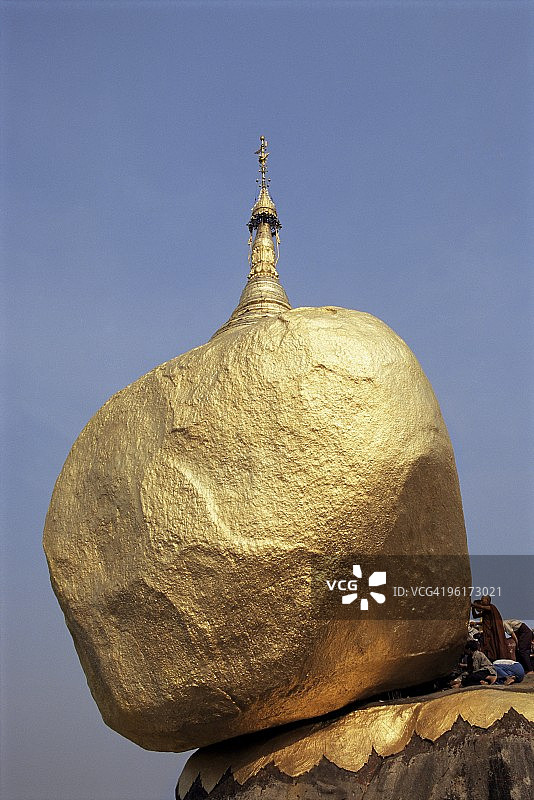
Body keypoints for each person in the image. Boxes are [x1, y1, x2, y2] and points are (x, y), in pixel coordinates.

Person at [471, 596, 509, 661]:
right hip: (487, 633)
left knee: (494, 646)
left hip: (493, 633)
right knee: (488, 647)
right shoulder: (484, 612)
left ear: (488, 600)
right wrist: (473, 608)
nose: (481, 602)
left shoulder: (492, 607)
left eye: (483, 600)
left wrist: (473, 604)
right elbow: (475, 616)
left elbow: (482, 607)